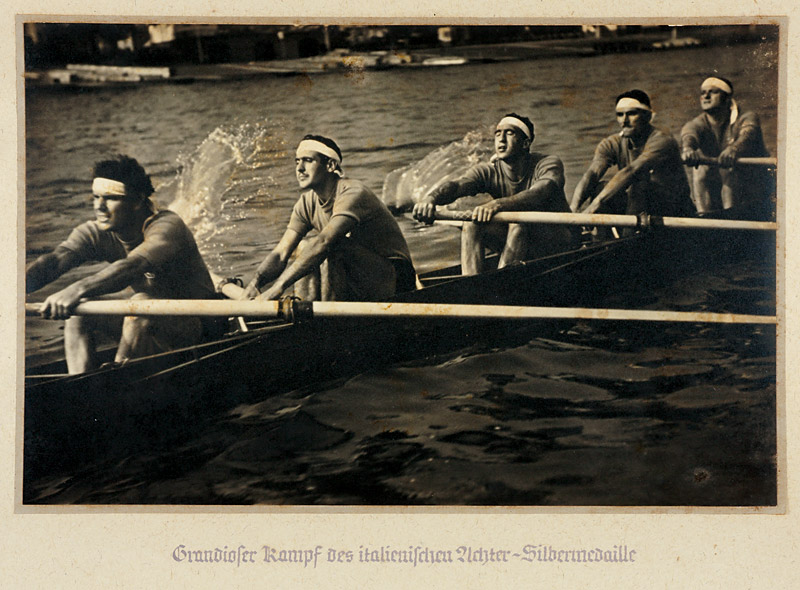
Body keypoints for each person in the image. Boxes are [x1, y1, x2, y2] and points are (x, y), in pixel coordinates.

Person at [26, 155, 221, 374]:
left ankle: (116, 381)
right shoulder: (95, 232)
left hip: (204, 328)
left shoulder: (167, 226)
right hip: (155, 323)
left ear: (137, 201)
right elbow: (54, 261)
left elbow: (133, 266)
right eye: (95, 197)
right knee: (80, 312)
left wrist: (75, 289)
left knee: (140, 303)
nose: (99, 207)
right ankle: (81, 381)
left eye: (110, 198)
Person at [240, 135, 416, 302]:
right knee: (303, 247)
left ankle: (328, 324)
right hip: (360, 276)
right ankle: (306, 317)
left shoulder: (353, 193)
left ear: (331, 165)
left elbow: (324, 242)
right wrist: (255, 284)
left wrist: (278, 287)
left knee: (331, 246)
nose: (299, 168)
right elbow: (280, 254)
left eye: (308, 160)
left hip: (397, 280)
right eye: (297, 161)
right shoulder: (306, 203)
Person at [412, 113, 575, 275]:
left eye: (509, 133)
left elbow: (542, 191)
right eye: (498, 133)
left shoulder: (547, 163)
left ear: (525, 143)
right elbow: (456, 186)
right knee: (471, 224)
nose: (501, 139)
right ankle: (473, 285)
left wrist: (496, 205)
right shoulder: (488, 171)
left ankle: (500, 284)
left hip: (561, 241)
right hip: (520, 238)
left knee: (518, 224)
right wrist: (431, 198)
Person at [571, 89, 694, 225]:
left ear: (647, 116)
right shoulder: (611, 143)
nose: (624, 120)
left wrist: (591, 208)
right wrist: (574, 209)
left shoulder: (662, 141)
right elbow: (592, 174)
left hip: (674, 211)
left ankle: (627, 239)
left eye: (631, 114)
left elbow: (631, 171)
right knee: (600, 188)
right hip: (641, 209)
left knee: (637, 184)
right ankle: (601, 239)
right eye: (620, 115)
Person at [680, 76, 774, 220]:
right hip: (721, 191)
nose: (706, 96)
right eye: (703, 92)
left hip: (755, 191)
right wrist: (687, 149)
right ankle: (704, 217)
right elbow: (689, 133)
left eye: (713, 92)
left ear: (727, 98)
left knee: (727, 168)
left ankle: (731, 218)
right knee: (700, 169)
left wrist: (733, 149)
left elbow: (748, 134)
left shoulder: (747, 117)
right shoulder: (698, 123)